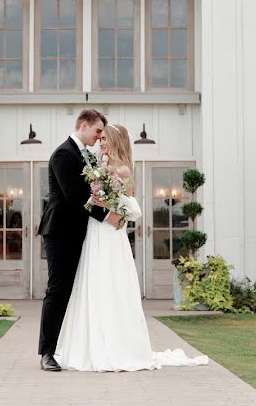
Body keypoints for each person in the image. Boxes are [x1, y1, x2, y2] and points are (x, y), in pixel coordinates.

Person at [55, 124, 209, 372]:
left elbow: (130, 208)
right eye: (100, 138)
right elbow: (88, 203)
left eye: (105, 139)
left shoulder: (123, 170)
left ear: (115, 140)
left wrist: (110, 211)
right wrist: (96, 204)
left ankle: (117, 347)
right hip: (95, 233)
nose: (101, 143)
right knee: (93, 283)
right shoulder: (97, 168)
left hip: (112, 236)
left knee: (112, 284)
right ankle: (89, 347)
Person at [36, 109, 125, 371]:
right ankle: (47, 352)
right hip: (61, 231)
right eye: (97, 131)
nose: (100, 137)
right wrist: (107, 216)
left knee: (75, 291)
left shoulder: (86, 154)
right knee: (58, 289)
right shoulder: (64, 154)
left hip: (78, 232)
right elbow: (75, 196)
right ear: (84, 125)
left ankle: (67, 348)